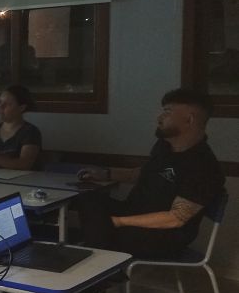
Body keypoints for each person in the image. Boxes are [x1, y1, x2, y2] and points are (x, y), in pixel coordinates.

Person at [76, 88, 225, 259]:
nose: (159, 118)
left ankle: (99, 262)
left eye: (167, 112)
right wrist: (105, 174)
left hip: (163, 236)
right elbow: (142, 174)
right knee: (88, 199)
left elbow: (175, 219)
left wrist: (118, 221)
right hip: (133, 215)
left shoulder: (204, 167)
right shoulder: (164, 146)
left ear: (189, 119)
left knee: (101, 230)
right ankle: (94, 256)